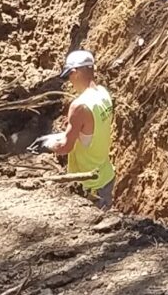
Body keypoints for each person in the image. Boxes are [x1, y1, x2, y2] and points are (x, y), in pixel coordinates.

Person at [40, 48, 115, 207]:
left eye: (69, 76)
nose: (70, 81)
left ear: (75, 72)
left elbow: (65, 147)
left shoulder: (79, 106)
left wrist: (47, 144)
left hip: (89, 185)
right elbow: (90, 132)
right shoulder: (103, 93)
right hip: (106, 177)